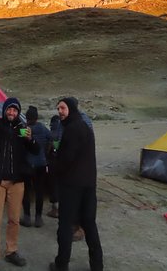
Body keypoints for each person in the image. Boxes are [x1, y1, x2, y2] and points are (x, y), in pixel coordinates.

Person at [0, 97, 39, 271]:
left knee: (14, 219)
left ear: (18, 112)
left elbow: (36, 150)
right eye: (9, 109)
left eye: (15, 110)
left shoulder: (23, 129)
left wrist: (31, 139)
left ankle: (11, 251)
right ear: (4, 110)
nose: (12, 113)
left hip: (17, 181)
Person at [49, 97, 103, 271]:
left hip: (72, 186)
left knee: (65, 225)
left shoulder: (72, 129)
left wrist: (53, 164)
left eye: (63, 108)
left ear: (71, 109)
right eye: (58, 109)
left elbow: (66, 159)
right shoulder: (85, 127)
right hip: (88, 184)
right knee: (89, 223)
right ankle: (97, 265)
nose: (60, 112)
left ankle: (61, 264)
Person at [20, 105, 51, 228]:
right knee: (39, 191)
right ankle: (38, 218)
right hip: (41, 164)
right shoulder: (43, 128)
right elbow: (51, 138)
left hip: (27, 164)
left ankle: (27, 217)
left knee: (26, 191)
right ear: (37, 117)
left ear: (26, 118)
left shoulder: (24, 129)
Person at [45, 114, 62, 219]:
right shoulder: (62, 132)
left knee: (53, 185)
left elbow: (48, 149)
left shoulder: (51, 134)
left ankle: (55, 209)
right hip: (62, 163)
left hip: (53, 162)